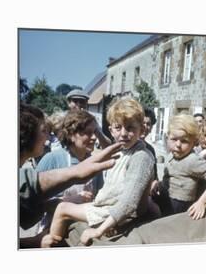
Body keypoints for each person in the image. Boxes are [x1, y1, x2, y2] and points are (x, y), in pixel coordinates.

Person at [48, 97, 155, 246]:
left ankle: (51, 246)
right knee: (65, 207)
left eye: (130, 128)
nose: (123, 133)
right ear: (111, 130)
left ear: (142, 130)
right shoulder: (123, 150)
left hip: (117, 212)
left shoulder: (141, 157)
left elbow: (129, 203)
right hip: (109, 207)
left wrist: (99, 230)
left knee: (62, 209)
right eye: (118, 128)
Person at [18, 104, 122, 248]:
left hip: (79, 229)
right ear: (72, 135)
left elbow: (99, 197)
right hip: (51, 230)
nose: (93, 138)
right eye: (87, 133)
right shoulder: (52, 159)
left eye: (95, 133)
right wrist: (67, 200)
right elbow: (29, 204)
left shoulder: (93, 164)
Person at [151, 114, 206, 218]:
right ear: (167, 137)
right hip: (165, 196)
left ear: (194, 143)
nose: (178, 145)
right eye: (174, 139)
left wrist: (201, 202)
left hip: (178, 205)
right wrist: (159, 184)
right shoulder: (171, 155)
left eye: (184, 141)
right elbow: (175, 176)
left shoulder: (192, 160)